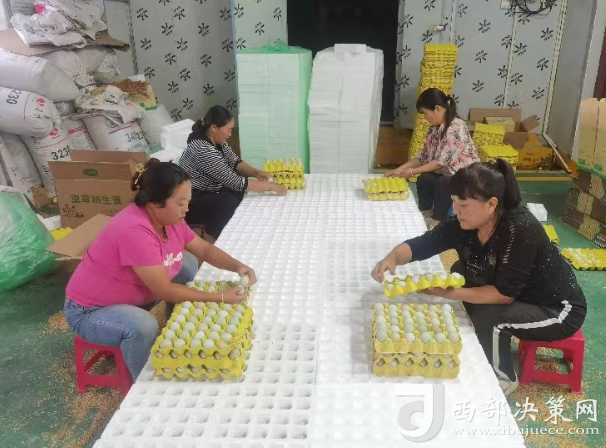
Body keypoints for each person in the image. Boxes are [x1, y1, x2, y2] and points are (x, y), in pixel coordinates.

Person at [372, 159, 586, 396]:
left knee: (490, 316)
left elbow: (504, 295)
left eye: (464, 205)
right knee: (460, 271)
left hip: (556, 309)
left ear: (491, 204)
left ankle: (503, 377)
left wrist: (447, 293)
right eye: (454, 201)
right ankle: (489, 339)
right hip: (521, 294)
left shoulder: (519, 229)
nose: (456, 210)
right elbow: (425, 243)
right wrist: (393, 257)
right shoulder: (466, 224)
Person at [64, 159, 257, 380]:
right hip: (91, 311)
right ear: (156, 203)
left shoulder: (169, 220)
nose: (187, 209)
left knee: (186, 262)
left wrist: (237, 266)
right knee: (143, 326)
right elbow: (164, 290)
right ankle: (144, 382)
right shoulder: (134, 231)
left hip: (133, 295)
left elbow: (203, 249)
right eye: (181, 203)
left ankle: (175, 326)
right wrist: (220, 297)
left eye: (188, 201)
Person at [179, 106, 287, 243]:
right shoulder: (202, 149)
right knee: (227, 200)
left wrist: (256, 172)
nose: (230, 134)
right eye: (228, 129)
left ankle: (222, 225)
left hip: (208, 190)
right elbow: (235, 182)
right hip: (191, 198)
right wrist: (270, 186)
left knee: (237, 192)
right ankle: (208, 233)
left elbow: (235, 162)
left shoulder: (217, 142)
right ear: (214, 128)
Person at [385, 88, 479, 227]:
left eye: (425, 113)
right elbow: (422, 157)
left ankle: (437, 223)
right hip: (447, 174)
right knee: (425, 179)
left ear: (437, 109)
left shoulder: (456, 127)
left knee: (444, 183)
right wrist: (399, 170)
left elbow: (440, 163)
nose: (425, 118)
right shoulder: (433, 129)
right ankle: (425, 215)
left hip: (466, 176)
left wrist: (411, 172)